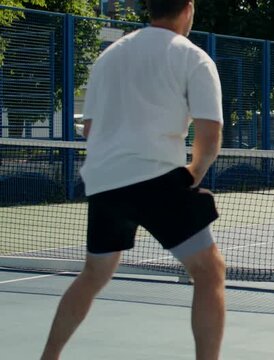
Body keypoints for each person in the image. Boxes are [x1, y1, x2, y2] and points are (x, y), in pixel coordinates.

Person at [40, 1, 225, 359]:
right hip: (157, 177)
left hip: (104, 181)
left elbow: (91, 128)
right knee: (209, 271)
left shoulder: (109, 57)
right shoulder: (193, 57)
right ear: (188, 9)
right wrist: (194, 174)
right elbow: (209, 134)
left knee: (94, 274)